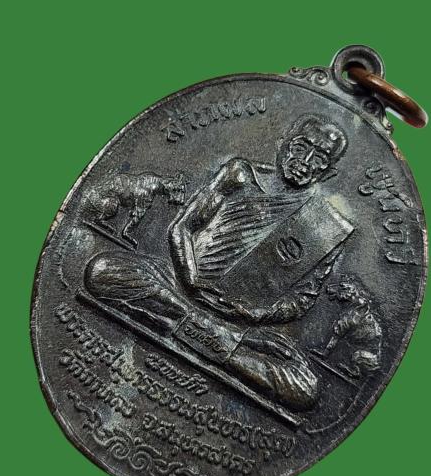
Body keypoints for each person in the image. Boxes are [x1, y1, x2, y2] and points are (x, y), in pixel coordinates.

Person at [84, 115, 350, 411]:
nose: (306, 161)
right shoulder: (240, 174)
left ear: (329, 171)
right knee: (102, 271)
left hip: (240, 324)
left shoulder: (326, 228)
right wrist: (190, 279)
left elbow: (301, 301)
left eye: (320, 158)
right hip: (179, 287)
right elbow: (183, 227)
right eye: (301, 147)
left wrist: (254, 313)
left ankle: (193, 328)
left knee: (305, 388)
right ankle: (215, 343)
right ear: (283, 143)